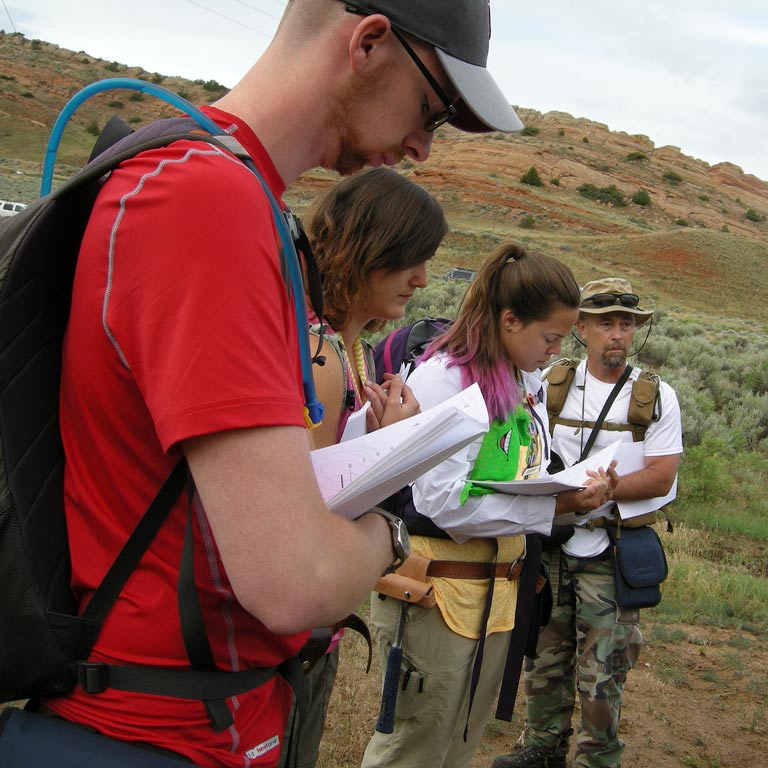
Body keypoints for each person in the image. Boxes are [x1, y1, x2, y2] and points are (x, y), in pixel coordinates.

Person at [45, 1, 524, 766]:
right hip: (156, 731)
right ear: (369, 42)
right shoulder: (210, 202)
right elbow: (294, 581)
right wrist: (390, 530)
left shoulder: (210, 186)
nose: (424, 146)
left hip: (191, 712)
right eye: (431, 108)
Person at [361, 244, 618, 768]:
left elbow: (525, 468)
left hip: (495, 595)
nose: (554, 351)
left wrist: (569, 489)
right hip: (438, 595)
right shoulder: (446, 378)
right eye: (549, 338)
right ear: (508, 320)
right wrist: (554, 509)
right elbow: (441, 500)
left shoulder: (525, 382)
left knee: (460, 742)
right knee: (417, 746)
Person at [277, 167, 448, 768]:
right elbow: (309, 514)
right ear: (369, 249)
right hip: (291, 642)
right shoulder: (322, 356)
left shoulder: (350, 348)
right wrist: (394, 449)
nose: (422, 280)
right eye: (411, 259)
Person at [492, 277, 683, 768]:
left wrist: (611, 490)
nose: (617, 333)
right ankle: (541, 747)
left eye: (626, 323)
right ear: (582, 328)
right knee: (543, 653)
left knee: (602, 670)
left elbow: (662, 476)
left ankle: (597, 757)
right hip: (553, 543)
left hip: (610, 549)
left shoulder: (656, 397)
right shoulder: (550, 383)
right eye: (605, 323)